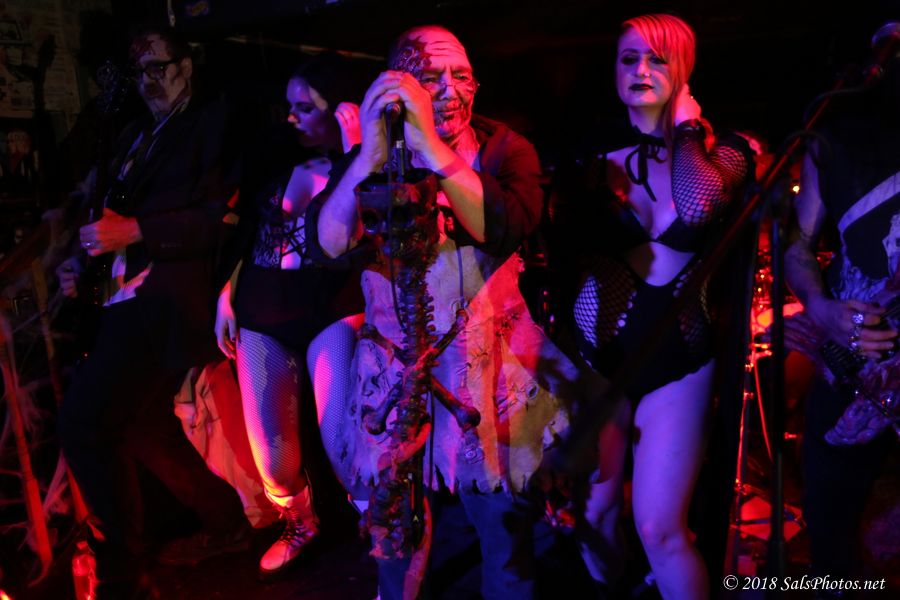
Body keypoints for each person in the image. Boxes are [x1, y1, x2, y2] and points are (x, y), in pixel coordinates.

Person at [306, 25, 579, 600]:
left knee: (502, 532)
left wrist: (431, 145)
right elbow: (326, 245)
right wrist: (368, 157)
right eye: (432, 78)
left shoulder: (505, 149)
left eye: (463, 76)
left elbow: (501, 228)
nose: (452, 90)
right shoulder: (374, 154)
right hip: (395, 377)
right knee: (396, 536)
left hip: (488, 372)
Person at [563, 14, 752, 600]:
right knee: (592, 518)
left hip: (678, 360)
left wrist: (688, 129)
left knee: (660, 529)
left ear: (684, 70)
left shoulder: (725, 152)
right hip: (598, 361)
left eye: (658, 59)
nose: (640, 70)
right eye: (628, 59)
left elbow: (697, 208)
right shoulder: (588, 157)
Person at [56, 25, 248, 597]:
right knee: (141, 425)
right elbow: (107, 215)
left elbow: (222, 218)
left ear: (187, 66)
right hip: (121, 296)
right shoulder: (134, 135)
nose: (147, 81)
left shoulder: (211, 124)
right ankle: (226, 521)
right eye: (138, 71)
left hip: (162, 297)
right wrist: (82, 263)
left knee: (85, 423)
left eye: (157, 67)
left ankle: (124, 565)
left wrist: (138, 231)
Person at [213, 52, 365, 580]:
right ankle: (300, 522)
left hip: (331, 308)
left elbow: (361, 233)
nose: (292, 116)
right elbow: (244, 232)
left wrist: (356, 150)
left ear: (340, 110)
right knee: (273, 459)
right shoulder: (275, 158)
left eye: (306, 107)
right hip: (261, 307)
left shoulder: (367, 165)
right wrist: (225, 293)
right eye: (289, 106)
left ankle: (380, 527)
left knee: (344, 444)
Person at [784, 26, 900, 595]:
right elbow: (797, 245)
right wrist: (820, 307)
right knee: (831, 524)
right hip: (851, 365)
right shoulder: (832, 137)